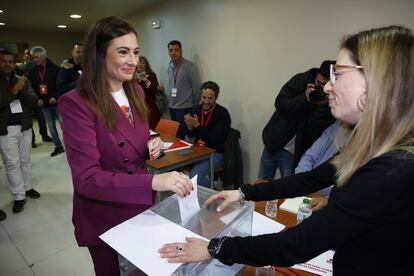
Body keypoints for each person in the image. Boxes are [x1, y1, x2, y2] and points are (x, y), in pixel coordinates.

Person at [160, 26, 414, 275]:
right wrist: (243, 192)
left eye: (339, 73)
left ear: (378, 81)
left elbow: (298, 244)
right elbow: (307, 180)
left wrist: (216, 247)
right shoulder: (370, 144)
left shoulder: (392, 169)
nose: (326, 87)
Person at [58, 17, 193, 276]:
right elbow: (87, 179)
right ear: (99, 55)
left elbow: (136, 136)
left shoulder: (136, 92)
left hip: (138, 205)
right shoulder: (76, 103)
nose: (133, 60)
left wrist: (151, 141)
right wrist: (154, 182)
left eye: (135, 52)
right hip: (103, 213)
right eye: (123, 52)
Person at [257, 60, 335, 182]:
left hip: (293, 152)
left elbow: (314, 132)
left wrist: (320, 107)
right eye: (318, 83)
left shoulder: (332, 99)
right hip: (273, 142)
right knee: (261, 183)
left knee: (287, 187)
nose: (320, 88)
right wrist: (304, 98)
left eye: (324, 86)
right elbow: (280, 103)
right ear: (316, 74)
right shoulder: (301, 80)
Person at [0, 49, 41, 214]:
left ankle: (28, 187)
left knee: (25, 160)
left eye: (10, 61)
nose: (8, 64)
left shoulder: (21, 79)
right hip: (5, 130)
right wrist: (15, 89)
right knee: (12, 163)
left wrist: (21, 88)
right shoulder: (13, 82)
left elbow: (33, 101)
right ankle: (18, 196)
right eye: (4, 61)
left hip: (25, 127)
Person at [184, 81, 231, 187]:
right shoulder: (196, 109)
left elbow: (216, 141)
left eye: (210, 98)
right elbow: (189, 136)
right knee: (174, 165)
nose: (206, 101)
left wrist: (197, 126)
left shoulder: (222, 114)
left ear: (215, 98)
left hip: (215, 154)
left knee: (194, 177)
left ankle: (211, 196)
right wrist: (189, 128)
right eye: (204, 97)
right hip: (197, 150)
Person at [27, 46, 64, 157]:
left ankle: (73, 146)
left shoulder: (56, 69)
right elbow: (31, 88)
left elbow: (62, 86)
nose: (34, 60)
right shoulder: (32, 71)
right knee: (51, 127)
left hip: (57, 103)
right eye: (33, 58)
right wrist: (37, 100)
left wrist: (56, 96)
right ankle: (58, 147)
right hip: (44, 104)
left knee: (64, 126)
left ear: (43, 56)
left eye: (36, 57)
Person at [167, 40, 201, 138]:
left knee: (184, 137)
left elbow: (197, 89)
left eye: (176, 50)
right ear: (168, 52)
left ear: (181, 51)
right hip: (172, 107)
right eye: (171, 50)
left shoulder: (190, 66)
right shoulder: (169, 66)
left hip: (185, 108)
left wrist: (193, 107)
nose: (173, 53)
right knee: (176, 136)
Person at [135, 56, 161, 129]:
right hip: (138, 110)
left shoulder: (152, 75)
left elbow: (155, 90)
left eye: (142, 63)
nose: (140, 65)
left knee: (152, 130)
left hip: (150, 109)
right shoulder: (133, 77)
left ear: (146, 65)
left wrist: (146, 80)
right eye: (138, 63)